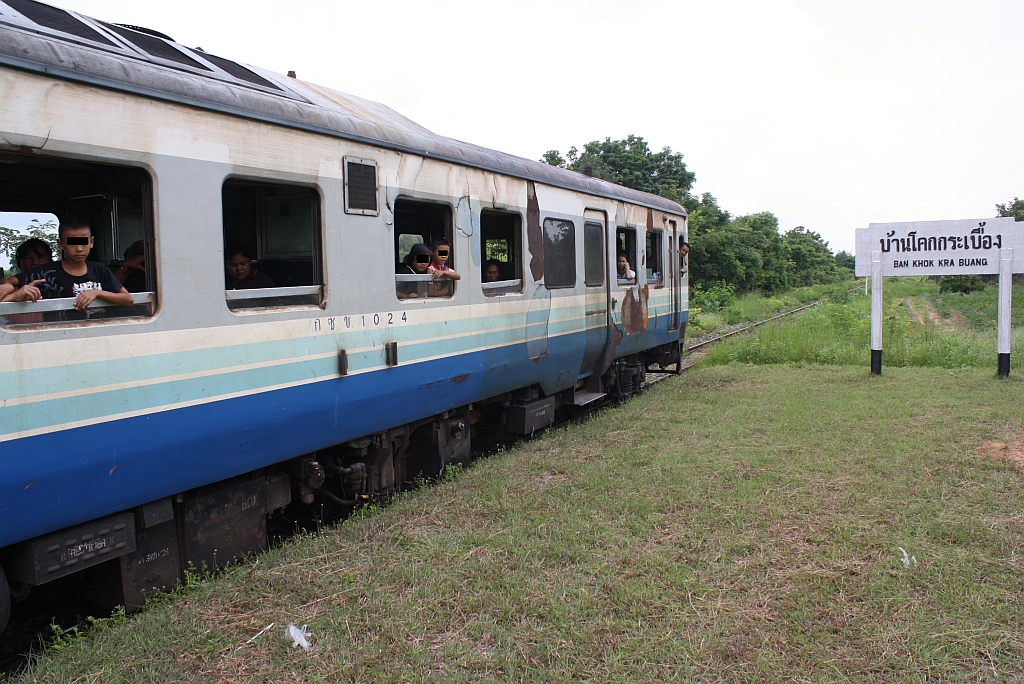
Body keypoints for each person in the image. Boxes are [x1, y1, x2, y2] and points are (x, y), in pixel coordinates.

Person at [1, 218, 133, 309]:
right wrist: (10, 288)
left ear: (91, 242)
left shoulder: (99, 269)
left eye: (83, 242)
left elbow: (128, 299)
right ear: (61, 244)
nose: (79, 248)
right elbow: (8, 281)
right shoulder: (45, 272)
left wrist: (96, 293)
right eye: (72, 243)